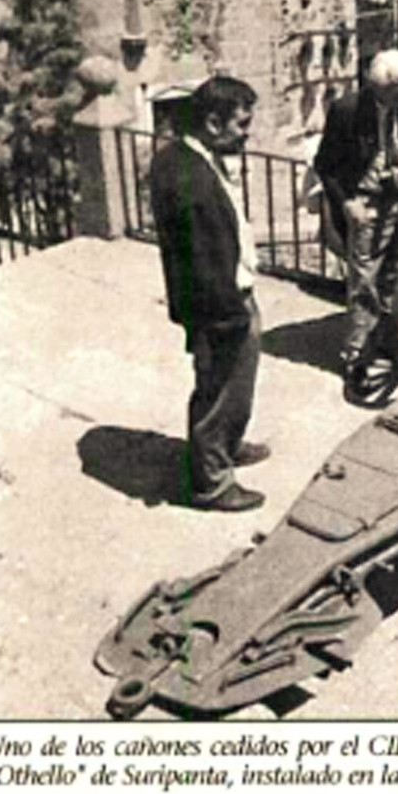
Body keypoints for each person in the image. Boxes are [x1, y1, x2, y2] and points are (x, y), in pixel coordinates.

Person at [150, 74, 270, 512]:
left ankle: (227, 445)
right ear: (213, 123)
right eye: (241, 124)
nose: (247, 133)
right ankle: (212, 483)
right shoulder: (189, 179)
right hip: (219, 305)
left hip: (229, 293)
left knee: (234, 385)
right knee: (219, 387)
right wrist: (229, 317)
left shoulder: (188, 157)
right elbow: (200, 262)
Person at [314, 49, 398, 395]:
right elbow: (325, 165)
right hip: (367, 204)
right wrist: (347, 203)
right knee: (364, 282)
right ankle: (357, 356)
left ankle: (390, 341)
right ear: (381, 86)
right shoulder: (348, 111)